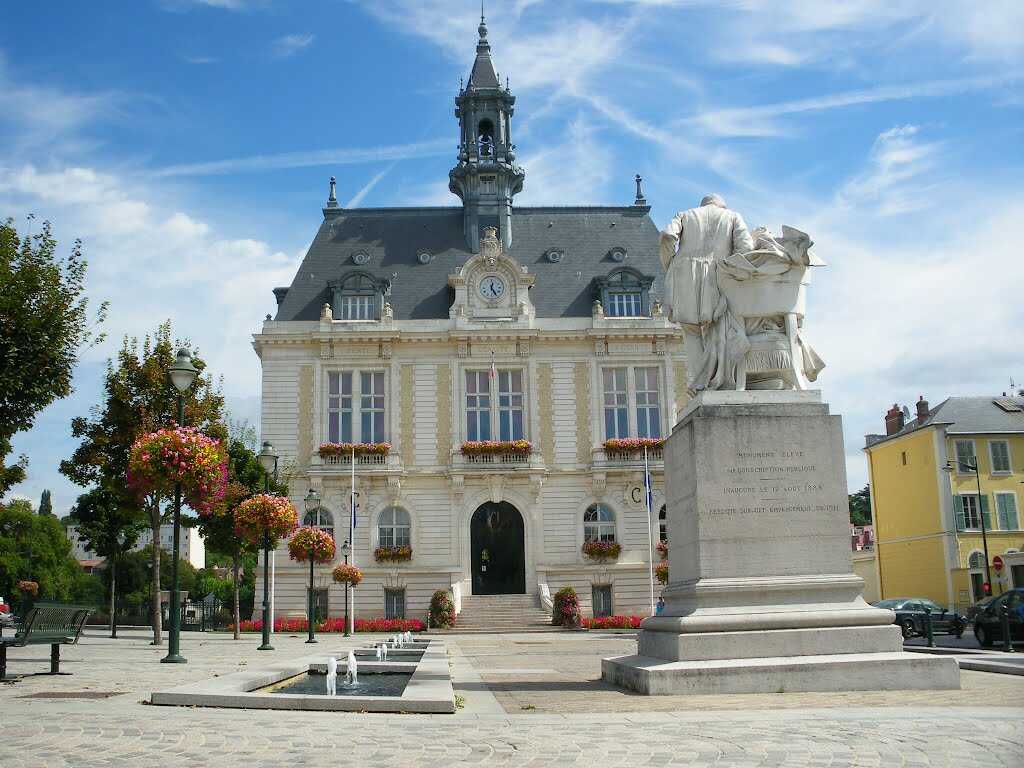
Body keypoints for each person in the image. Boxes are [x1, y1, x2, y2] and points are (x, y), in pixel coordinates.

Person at [659, 194, 754, 392]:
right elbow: (746, 248)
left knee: (691, 331)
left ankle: (700, 383)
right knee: (717, 329)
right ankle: (716, 380)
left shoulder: (685, 215)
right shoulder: (732, 216)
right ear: (722, 205)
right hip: (718, 274)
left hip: (684, 275)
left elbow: (667, 236)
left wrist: (670, 265)